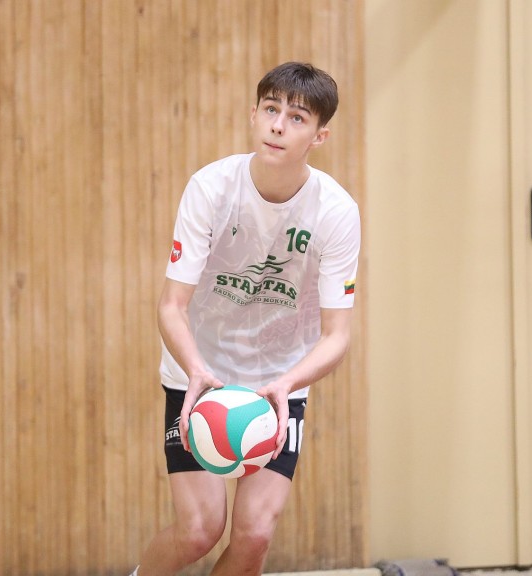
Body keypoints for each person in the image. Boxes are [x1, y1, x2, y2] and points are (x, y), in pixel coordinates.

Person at [133, 61, 361, 576]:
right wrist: (195, 370)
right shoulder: (211, 188)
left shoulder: (336, 212)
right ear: (253, 114)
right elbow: (171, 305)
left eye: (297, 118)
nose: (279, 125)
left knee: (254, 535)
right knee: (199, 530)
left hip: (278, 383)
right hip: (199, 373)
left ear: (319, 136)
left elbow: (336, 336)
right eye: (271, 109)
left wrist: (287, 384)